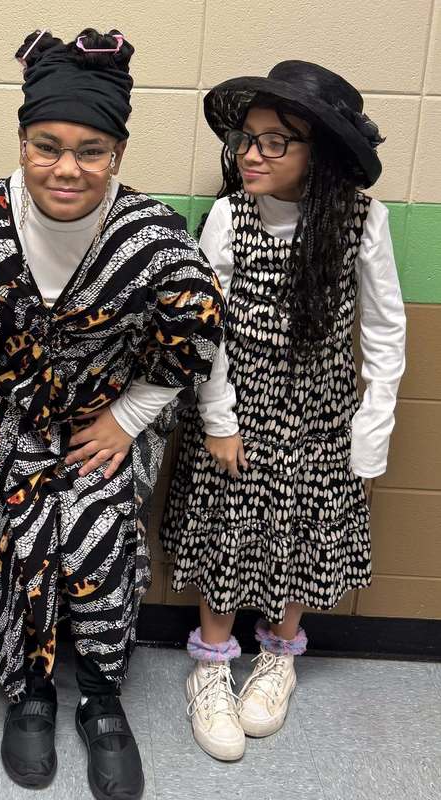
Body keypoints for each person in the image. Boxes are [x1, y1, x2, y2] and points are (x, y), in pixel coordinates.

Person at [0, 28, 224, 799]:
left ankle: (100, 697)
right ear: (23, 140)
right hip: (11, 422)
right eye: (47, 144)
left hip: (105, 427)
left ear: (118, 155)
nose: (67, 167)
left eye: (91, 149)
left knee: (101, 553)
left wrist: (130, 418)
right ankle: (29, 691)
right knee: (14, 546)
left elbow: (197, 334)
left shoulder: (154, 238)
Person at [161, 60, 406, 761]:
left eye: (276, 142)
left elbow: (386, 330)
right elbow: (207, 329)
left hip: (320, 416)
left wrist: (371, 427)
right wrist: (220, 419)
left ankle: (277, 656)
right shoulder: (230, 219)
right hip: (240, 407)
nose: (251, 154)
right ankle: (211, 664)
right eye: (247, 138)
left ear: (318, 155)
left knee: (297, 533)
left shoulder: (363, 221)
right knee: (228, 530)